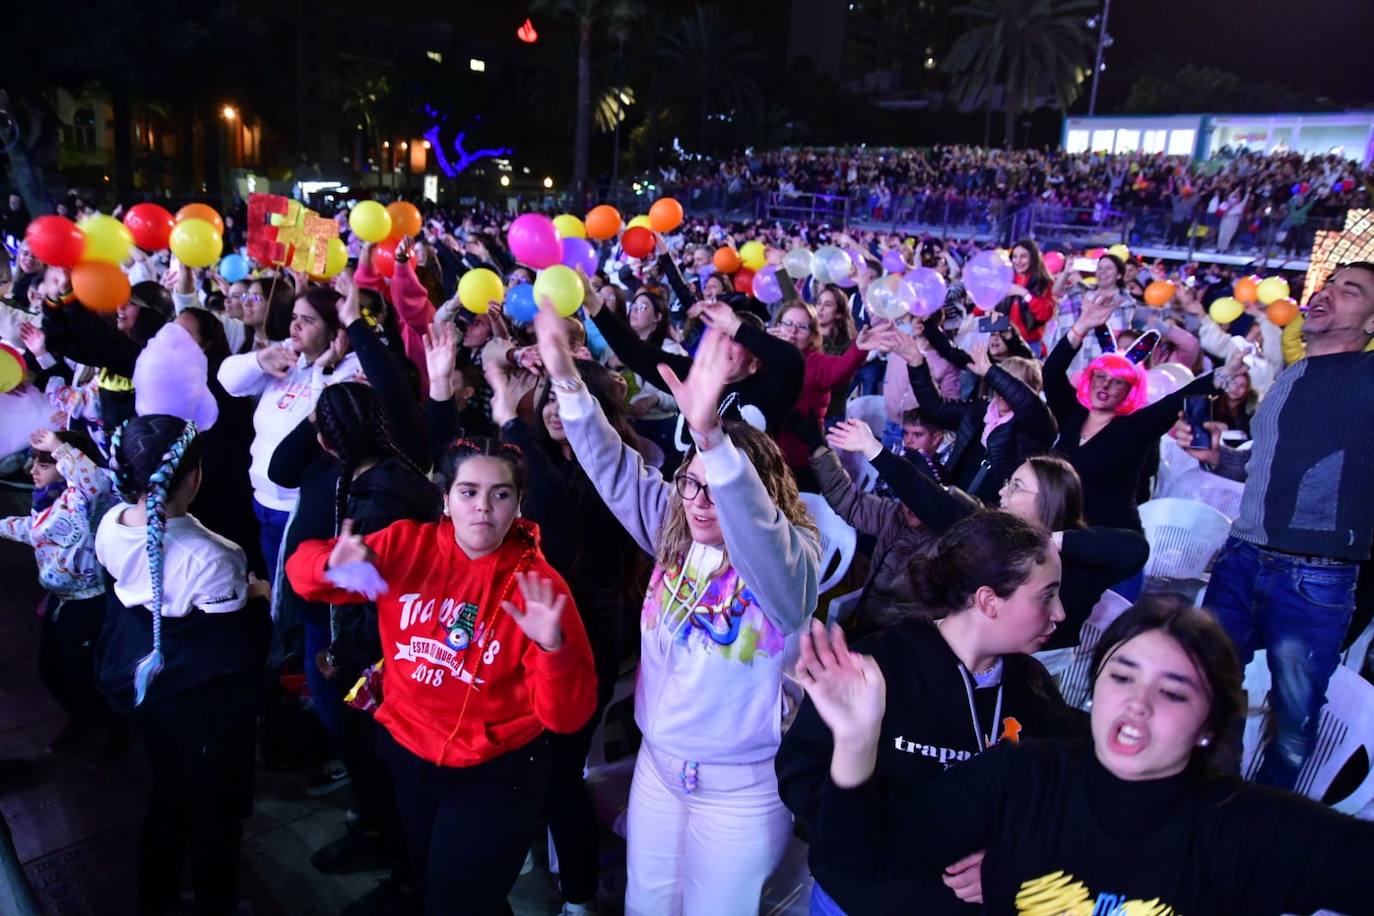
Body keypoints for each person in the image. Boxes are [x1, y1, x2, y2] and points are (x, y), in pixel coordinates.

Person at [801, 596, 1374, 914]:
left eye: (1174, 692)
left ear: (1209, 723)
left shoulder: (1240, 828)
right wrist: (856, 740)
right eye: (1122, 676)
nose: (1139, 703)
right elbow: (860, 858)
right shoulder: (1023, 775)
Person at [531, 299, 820, 916]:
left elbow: (760, 535)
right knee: (646, 906)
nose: (700, 500)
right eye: (691, 482)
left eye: (720, 485)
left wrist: (712, 438)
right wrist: (563, 374)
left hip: (741, 792)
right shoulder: (676, 533)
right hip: (659, 772)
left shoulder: (786, 563)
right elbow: (611, 464)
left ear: (761, 494)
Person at [285, 438, 598, 916]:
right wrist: (333, 562)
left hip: (495, 775)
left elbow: (567, 716)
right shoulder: (405, 546)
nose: (483, 509)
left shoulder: (538, 586)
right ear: (446, 499)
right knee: (440, 890)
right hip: (410, 757)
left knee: (460, 901)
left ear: (519, 504)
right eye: (469, 492)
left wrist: (550, 647)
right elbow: (302, 572)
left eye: (500, 495)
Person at [778, 512, 1084, 915]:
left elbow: (1062, 802)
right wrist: (890, 834)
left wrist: (1011, 856)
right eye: (1047, 595)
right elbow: (800, 776)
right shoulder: (879, 665)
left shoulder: (1033, 688)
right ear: (989, 600)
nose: (1060, 612)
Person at [1171, 262, 1374, 791]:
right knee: (1207, 686)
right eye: (1329, 284)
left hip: (1315, 576)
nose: (1328, 293)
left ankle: (1261, 824)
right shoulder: (1293, 375)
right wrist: (1223, 461)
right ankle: (1207, 796)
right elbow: (1274, 463)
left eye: (1351, 290)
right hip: (1243, 558)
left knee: (1293, 718)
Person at [486, 358, 648, 915]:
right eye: (549, 398)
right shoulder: (547, 458)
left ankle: (579, 898)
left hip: (587, 642)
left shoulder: (617, 470)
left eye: (569, 400)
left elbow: (556, 511)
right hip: (532, 633)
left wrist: (512, 426)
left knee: (559, 773)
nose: (555, 411)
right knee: (526, 759)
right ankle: (532, 843)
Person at [94, 415, 271, 916]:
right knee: (215, 811)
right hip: (200, 700)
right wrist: (258, 597)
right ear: (195, 476)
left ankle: (158, 896)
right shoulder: (212, 556)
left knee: (168, 794)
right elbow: (234, 644)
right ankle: (216, 903)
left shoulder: (109, 524)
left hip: (149, 686)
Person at [832, 418, 1148, 652]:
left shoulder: (1079, 560)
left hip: (1041, 677)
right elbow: (932, 502)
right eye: (1007, 483)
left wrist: (1049, 542)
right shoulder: (993, 536)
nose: (1002, 492)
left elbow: (1134, 550)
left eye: (1016, 486)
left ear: (1049, 501)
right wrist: (874, 450)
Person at [1045, 294, 1226, 533]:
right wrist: (1081, 327)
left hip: (1107, 541)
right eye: (1101, 376)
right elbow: (1051, 373)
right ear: (1091, 378)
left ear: (1130, 390)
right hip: (1059, 532)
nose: (1106, 385)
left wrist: (1223, 375)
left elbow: (1174, 402)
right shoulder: (1072, 415)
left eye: (1118, 382)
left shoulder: (1135, 429)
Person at [217, 286, 362, 580]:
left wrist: (323, 371)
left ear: (336, 330)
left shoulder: (351, 369)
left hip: (301, 507)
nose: (295, 326)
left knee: (298, 594)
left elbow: (318, 426)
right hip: (262, 500)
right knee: (275, 588)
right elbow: (227, 380)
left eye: (308, 321)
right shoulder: (288, 353)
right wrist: (258, 360)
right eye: (295, 317)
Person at [1, 429, 119, 748]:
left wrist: (58, 446)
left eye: (43, 464)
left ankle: (115, 731)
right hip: (61, 600)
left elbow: (94, 480)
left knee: (88, 674)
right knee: (53, 669)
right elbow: (40, 531)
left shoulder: (88, 497)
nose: (32, 471)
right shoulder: (52, 500)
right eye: (33, 463)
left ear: (67, 466)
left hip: (88, 604)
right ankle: (83, 718)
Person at [582, 274, 805, 434]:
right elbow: (636, 353)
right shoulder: (697, 375)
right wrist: (594, 304)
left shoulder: (770, 389)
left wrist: (733, 325)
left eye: (733, 339)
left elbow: (792, 362)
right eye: (719, 337)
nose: (722, 344)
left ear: (755, 361)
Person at [876, 327, 1055, 506]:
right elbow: (936, 408)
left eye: (1006, 381)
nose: (1000, 390)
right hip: (952, 505)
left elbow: (1027, 403)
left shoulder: (1035, 428)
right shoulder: (981, 410)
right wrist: (917, 363)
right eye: (996, 382)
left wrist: (991, 372)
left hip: (991, 518)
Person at [769, 300, 872, 487]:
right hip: (765, 459)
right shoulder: (763, 357)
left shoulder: (816, 363)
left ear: (812, 335)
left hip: (801, 465)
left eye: (802, 327)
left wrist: (859, 348)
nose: (793, 331)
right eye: (788, 324)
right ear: (777, 326)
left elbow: (841, 369)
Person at [1006, 239, 1057, 352]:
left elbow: (1044, 314)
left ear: (1033, 258)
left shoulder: (1044, 282)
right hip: (1003, 342)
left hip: (1029, 344)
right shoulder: (1006, 278)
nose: (1018, 261)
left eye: (1023, 256)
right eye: (1015, 256)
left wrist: (1024, 293)